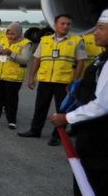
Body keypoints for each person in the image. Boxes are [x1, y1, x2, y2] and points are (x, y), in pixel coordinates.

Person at [49, 9, 108, 196]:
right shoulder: (103, 57)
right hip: (90, 131)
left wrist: (68, 118)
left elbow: (102, 104)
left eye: (101, 28)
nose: (96, 32)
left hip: (100, 134)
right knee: (82, 175)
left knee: (95, 181)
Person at [19, 14, 86, 146]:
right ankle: (35, 130)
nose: (66, 26)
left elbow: (80, 62)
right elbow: (37, 59)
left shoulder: (77, 41)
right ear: (55, 25)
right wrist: (31, 77)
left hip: (64, 82)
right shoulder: (44, 40)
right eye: (63, 23)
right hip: (45, 80)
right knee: (40, 107)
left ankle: (57, 135)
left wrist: (75, 81)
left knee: (62, 110)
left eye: (68, 24)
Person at [0, 23, 32, 130]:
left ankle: (11, 121)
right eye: (8, 33)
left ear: (19, 33)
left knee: (11, 100)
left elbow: (25, 59)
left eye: (12, 34)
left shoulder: (26, 43)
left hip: (13, 77)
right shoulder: (4, 41)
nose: (10, 36)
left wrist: (11, 53)